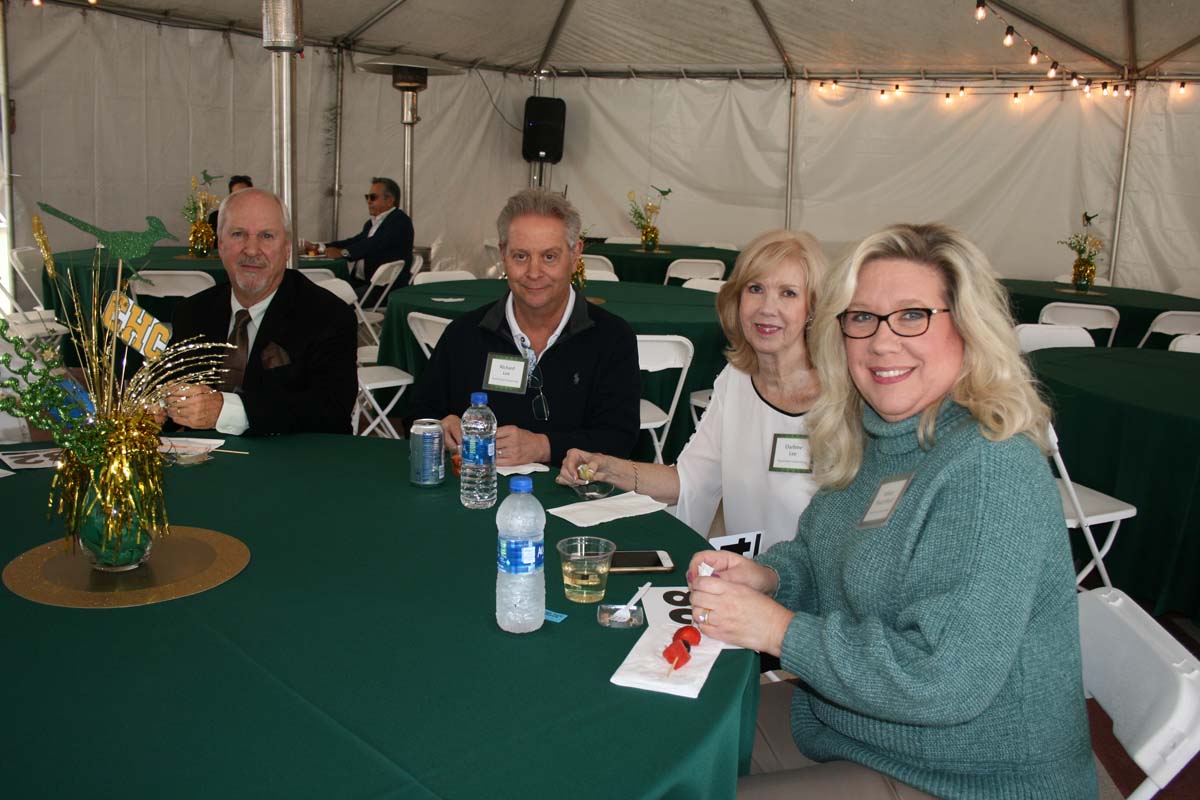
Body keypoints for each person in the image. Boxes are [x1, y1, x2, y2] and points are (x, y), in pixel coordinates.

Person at [689, 223, 1096, 798]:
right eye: (861, 318)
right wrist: (771, 577)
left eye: (912, 316)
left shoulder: (990, 468)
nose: (881, 342)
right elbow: (819, 551)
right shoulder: (876, 438)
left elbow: (941, 682)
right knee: (672, 738)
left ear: (969, 327)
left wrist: (778, 629)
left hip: (965, 778)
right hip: (850, 725)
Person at [557, 230, 824, 551]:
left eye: (789, 293)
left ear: (813, 308)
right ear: (737, 299)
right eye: (756, 289)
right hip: (743, 573)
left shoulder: (838, 397)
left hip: (814, 585)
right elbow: (691, 480)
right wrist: (608, 468)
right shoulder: (736, 379)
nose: (768, 307)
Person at [407, 188, 640, 467]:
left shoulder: (612, 338)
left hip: (574, 502)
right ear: (503, 254)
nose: (533, 272)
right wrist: (442, 427)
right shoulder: (464, 334)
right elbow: (417, 416)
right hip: (477, 496)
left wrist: (544, 447)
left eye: (549, 257)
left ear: (575, 254)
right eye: (521, 256)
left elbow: (619, 440)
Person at [164, 188, 357, 436]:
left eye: (266, 236)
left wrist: (227, 410)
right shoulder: (191, 312)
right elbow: (170, 391)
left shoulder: (328, 316)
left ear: (287, 248)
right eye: (238, 234)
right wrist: (159, 409)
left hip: (290, 467)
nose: (252, 249)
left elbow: (330, 411)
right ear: (220, 244)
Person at [310, 177, 415, 292]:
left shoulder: (400, 221)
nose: (369, 201)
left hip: (383, 288)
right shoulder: (372, 223)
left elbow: (374, 244)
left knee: (333, 299)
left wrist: (343, 253)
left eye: (373, 197)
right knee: (324, 292)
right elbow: (355, 241)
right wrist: (321, 246)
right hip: (362, 282)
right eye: (367, 197)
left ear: (389, 200)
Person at [207, 174, 252, 244]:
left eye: (244, 194)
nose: (240, 198)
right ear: (230, 196)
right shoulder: (216, 217)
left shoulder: (259, 218)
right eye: (236, 194)